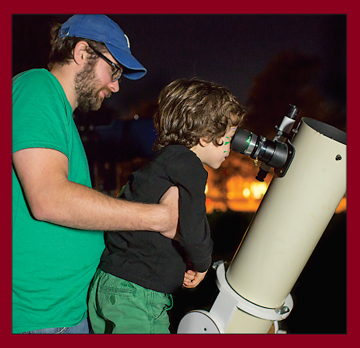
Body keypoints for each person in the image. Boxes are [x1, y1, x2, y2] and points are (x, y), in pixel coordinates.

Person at [12, 14, 179, 334]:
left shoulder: (60, 113)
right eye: (114, 70)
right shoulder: (36, 87)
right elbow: (49, 198)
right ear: (82, 53)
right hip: (42, 320)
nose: (116, 85)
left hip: (69, 311)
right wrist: (160, 218)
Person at [88, 78, 246, 334]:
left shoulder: (160, 164)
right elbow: (193, 227)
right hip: (137, 296)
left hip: (108, 284)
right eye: (228, 138)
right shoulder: (190, 166)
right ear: (206, 137)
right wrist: (202, 264)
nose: (230, 148)